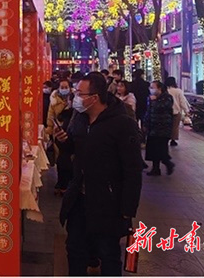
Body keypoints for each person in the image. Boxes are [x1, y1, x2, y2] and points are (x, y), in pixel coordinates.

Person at [54, 72, 142, 276]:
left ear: (94, 97)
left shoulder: (122, 124)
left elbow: (133, 169)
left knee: (108, 253)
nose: (76, 97)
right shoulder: (80, 118)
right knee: (75, 250)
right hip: (80, 198)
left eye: (80, 93)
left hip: (108, 203)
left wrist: (128, 208)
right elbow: (75, 150)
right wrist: (63, 141)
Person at [47, 79, 74, 193]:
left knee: (68, 158)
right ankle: (61, 182)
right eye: (62, 87)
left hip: (70, 130)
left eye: (66, 87)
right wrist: (49, 130)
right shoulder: (53, 99)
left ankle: (68, 183)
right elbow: (50, 115)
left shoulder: (74, 98)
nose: (64, 89)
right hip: (57, 130)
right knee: (60, 157)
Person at [142, 81, 174, 176]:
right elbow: (148, 111)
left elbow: (163, 107)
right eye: (150, 87)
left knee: (161, 148)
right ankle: (156, 169)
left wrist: (155, 101)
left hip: (163, 127)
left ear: (159, 88)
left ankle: (167, 163)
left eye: (153, 87)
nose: (151, 89)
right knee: (153, 149)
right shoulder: (150, 98)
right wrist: (145, 123)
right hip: (152, 127)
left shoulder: (167, 97)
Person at [165, 77, 190, 147]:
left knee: (166, 126)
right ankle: (173, 140)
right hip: (176, 112)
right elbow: (182, 102)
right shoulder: (178, 91)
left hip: (166, 112)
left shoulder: (165, 91)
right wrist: (186, 111)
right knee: (175, 127)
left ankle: (166, 139)